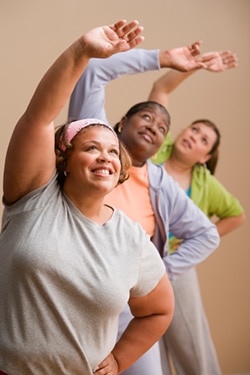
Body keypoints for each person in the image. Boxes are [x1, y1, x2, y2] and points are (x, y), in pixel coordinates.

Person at [0, 20, 178, 375]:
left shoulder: (129, 238)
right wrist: (81, 51)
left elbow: (159, 310)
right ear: (64, 157)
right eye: (92, 148)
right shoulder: (34, 197)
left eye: (113, 152)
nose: (105, 157)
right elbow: (39, 117)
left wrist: (119, 359)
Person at [68, 47, 244, 375]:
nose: (154, 126)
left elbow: (206, 233)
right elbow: (93, 72)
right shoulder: (96, 143)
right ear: (122, 122)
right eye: (146, 117)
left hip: (124, 305)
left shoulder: (161, 184)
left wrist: (159, 272)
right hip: (73, 296)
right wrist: (163, 58)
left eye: (162, 126)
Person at [149, 69, 245, 375]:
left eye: (204, 139)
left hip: (176, 268)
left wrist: (193, 242)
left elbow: (236, 215)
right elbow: (160, 89)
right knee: (149, 345)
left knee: (191, 342)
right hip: (139, 261)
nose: (194, 136)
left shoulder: (204, 182)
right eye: (193, 129)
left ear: (206, 156)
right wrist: (192, 66)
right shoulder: (154, 149)